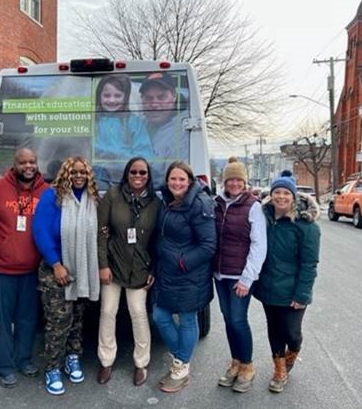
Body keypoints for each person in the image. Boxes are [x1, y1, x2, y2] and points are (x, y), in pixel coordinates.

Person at [32, 156, 100, 396]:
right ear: (66, 174)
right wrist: (56, 263)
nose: (79, 176)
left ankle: (73, 357)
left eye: (83, 172)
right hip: (57, 271)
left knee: (77, 320)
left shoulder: (92, 199)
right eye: (74, 172)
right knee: (58, 323)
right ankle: (52, 368)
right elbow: (40, 231)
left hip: (82, 269)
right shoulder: (53, 197)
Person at [0, 148, 49, 388]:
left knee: (27, 319)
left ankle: (23, 359)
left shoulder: (46, 192)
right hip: (0, 270)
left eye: (32, 161)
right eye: (23, 162)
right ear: (15, 164)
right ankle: (4, 366)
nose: (28, 166)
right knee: (1, 320)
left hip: (31, 271)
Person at [253, 172, 321, 393]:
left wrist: (302, 295)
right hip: (268, 287)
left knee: (291, 333)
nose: (281, 197)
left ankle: (293, 352)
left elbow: (310, 264)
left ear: (293, 196)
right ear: (270, 195)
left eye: (285, 193)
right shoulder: (263, 219)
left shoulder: (306, 226)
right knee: (274, 330)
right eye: (276, 192)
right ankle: (279, 369)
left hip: (292, 289)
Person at [152, 161, 216, 393]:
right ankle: (181, 359)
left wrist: (182, 262)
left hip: (189, 274)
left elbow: (208, 245)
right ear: (167, 181)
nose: (177, 183)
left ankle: (181, 368)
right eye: (173, 179)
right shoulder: (166, 202)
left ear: (189, 181)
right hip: (167, 273)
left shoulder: (200, 204)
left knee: (188, 320)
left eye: (181, 179)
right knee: (160, 316)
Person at [96, 157, 161, 387]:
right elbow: (102, 232)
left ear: (148, 176)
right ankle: (106, 360)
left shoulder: (155, 203)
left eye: (143, 173)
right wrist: (102, 265)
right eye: (133, 172)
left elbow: (157, 241)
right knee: (108, 311)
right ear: (126, 173)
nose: (138, 176)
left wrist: (153, 268)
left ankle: (141, 363)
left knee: (138, 312)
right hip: (113, 266)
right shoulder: (113, 195)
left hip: (139, 268)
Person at [213, 157, 267, 393]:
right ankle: (235, 362)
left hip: (240, 276)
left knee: (237, 320)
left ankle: (247, 365)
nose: (234, 183)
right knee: (228, 320)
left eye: (238, 179)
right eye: (230, 179)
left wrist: (247, 278)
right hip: (219, 274)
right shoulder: (217, 203)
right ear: (224, 181)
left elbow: (259, 245)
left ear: (244, 182)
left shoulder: (253, 206)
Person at [94, 74, 154, 161]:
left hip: (127, 173)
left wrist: (117, 157)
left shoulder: (134, 123)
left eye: (117, 96)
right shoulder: (93, 121)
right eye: (107, 96)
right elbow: (83, 149)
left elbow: (145, 155)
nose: (112, 100)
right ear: (99, 96)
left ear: (125, 98)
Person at [139, 72, 189, 161]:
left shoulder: (185, 131)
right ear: (142, 99)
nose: (154, 104)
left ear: (174, 96)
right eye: (149, 98)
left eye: (161, 97)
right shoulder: (135, 126)